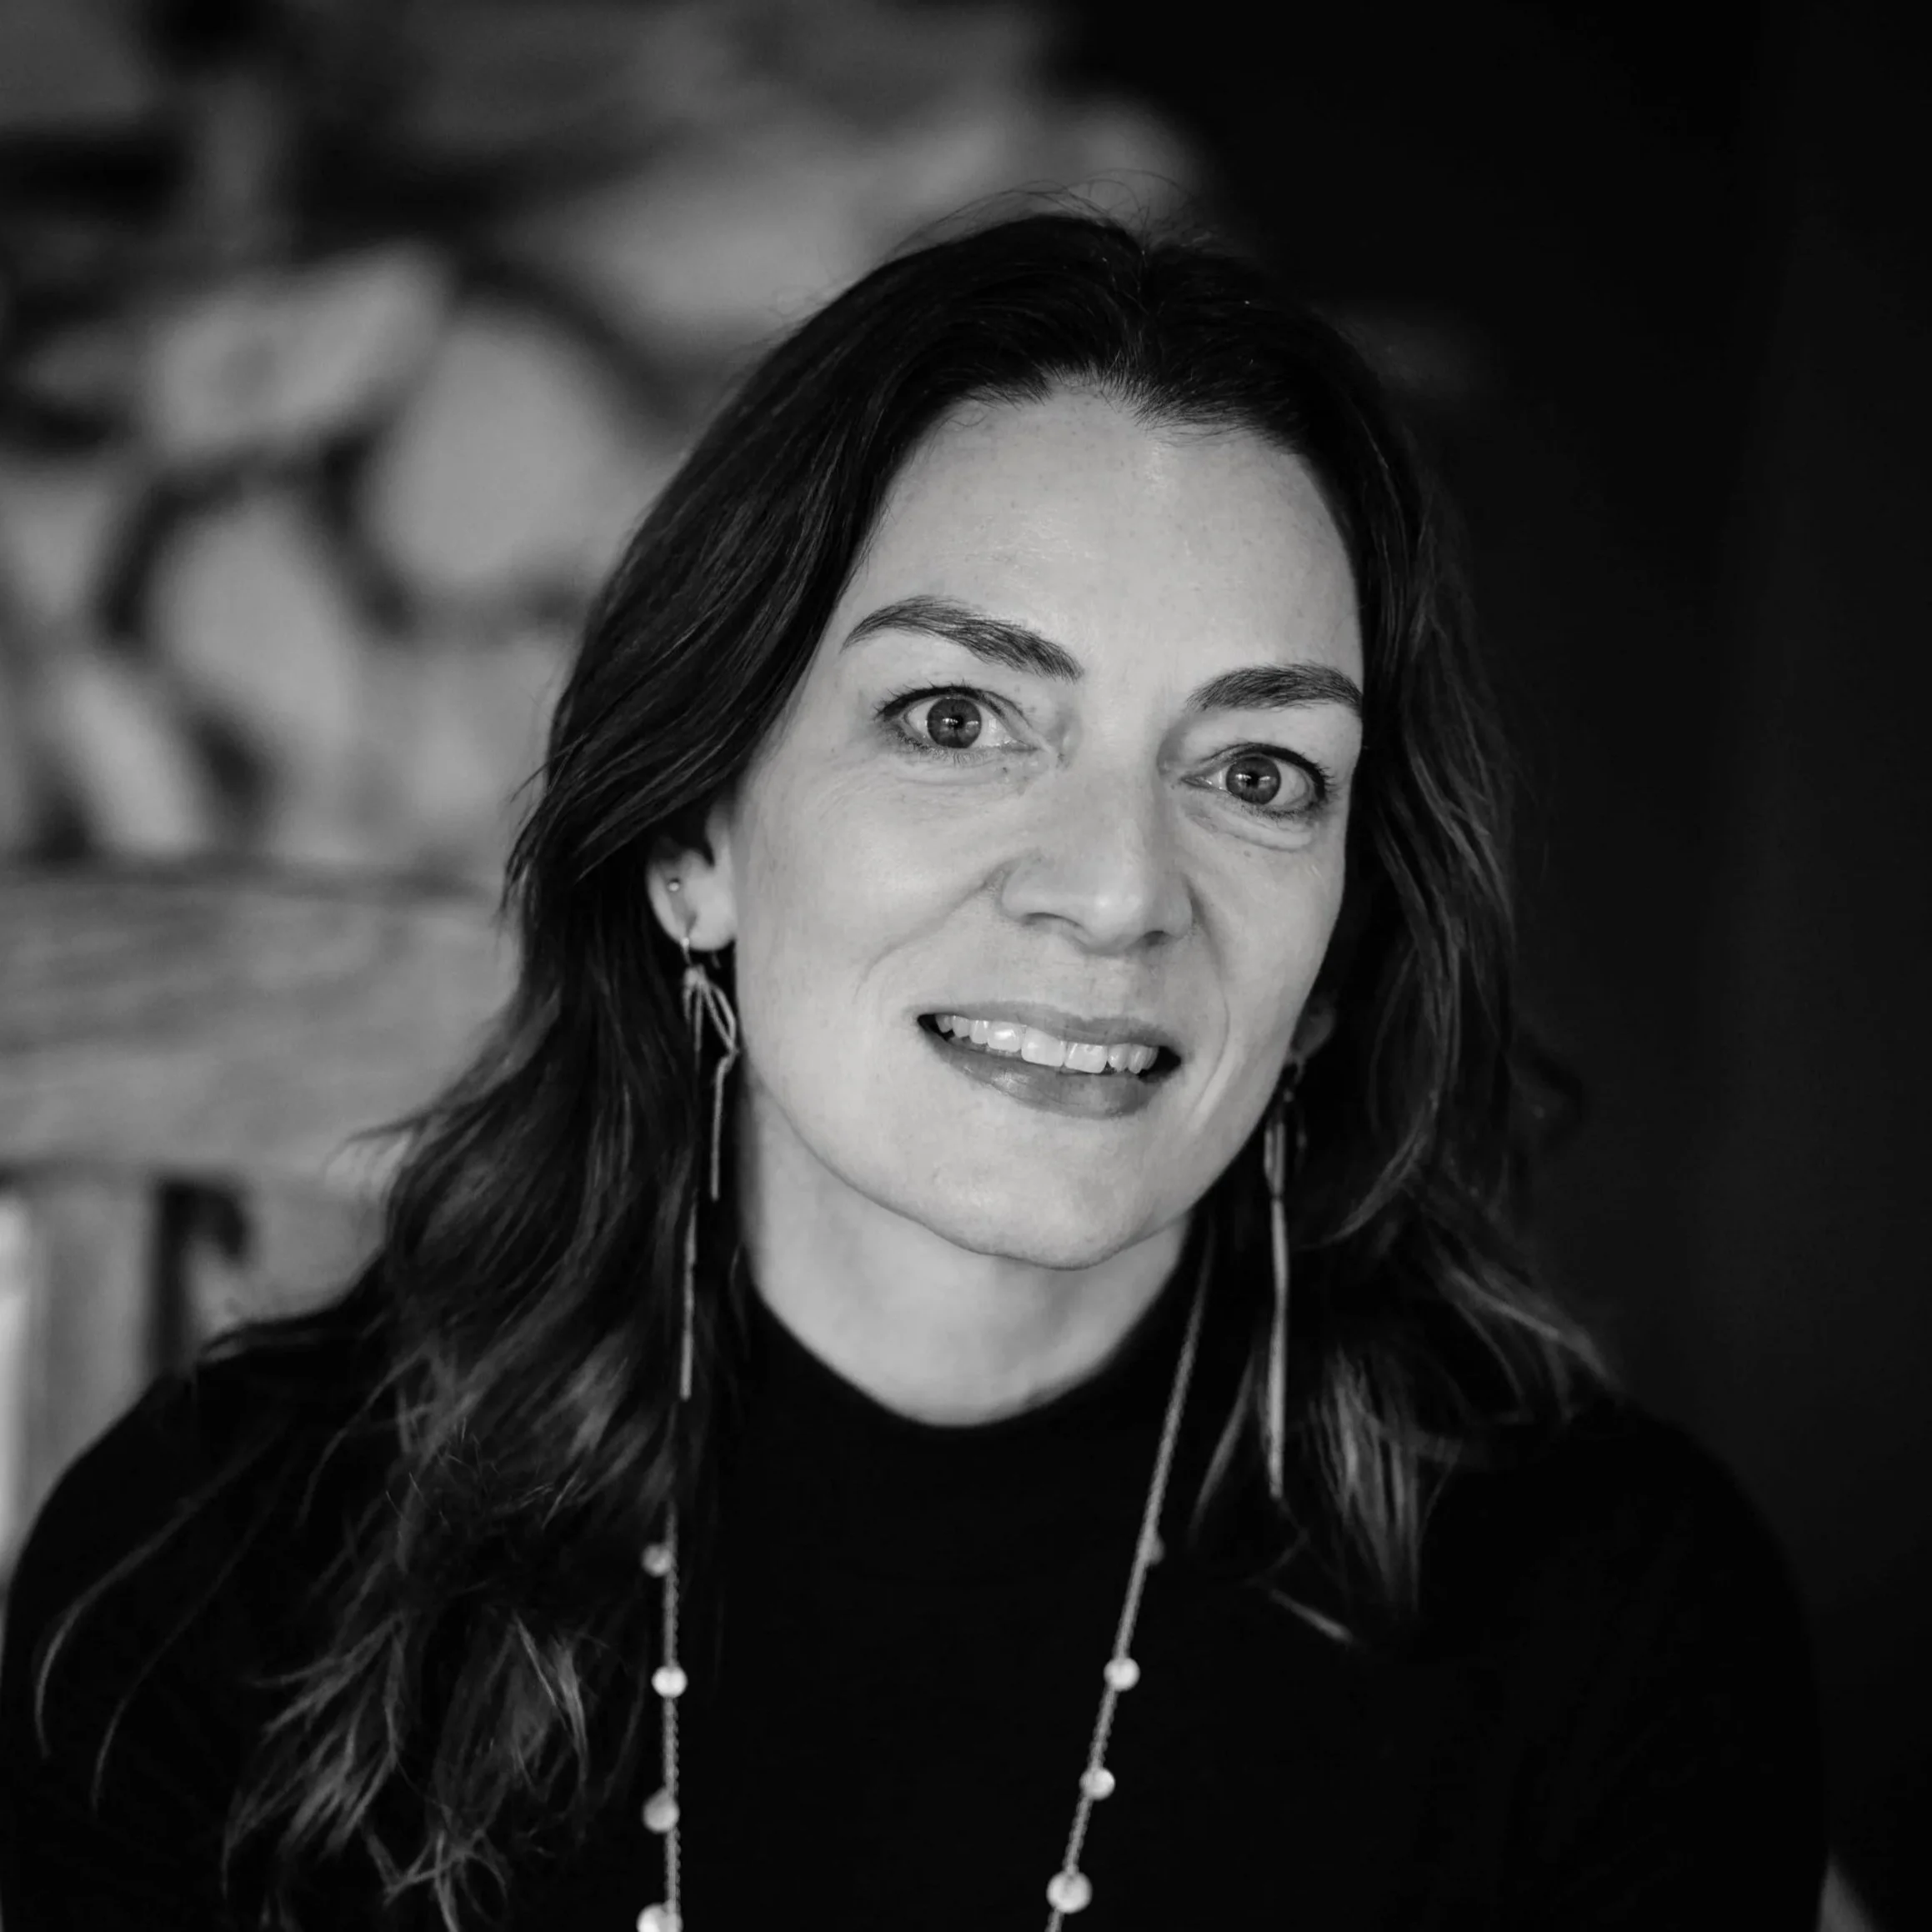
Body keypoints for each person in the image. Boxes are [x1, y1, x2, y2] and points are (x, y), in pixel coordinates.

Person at [0, 210, 1824, 1932]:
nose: (1116, 891)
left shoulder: (1610, 1631)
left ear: (1344, 945)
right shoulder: (220, 1580)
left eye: (1260, 771)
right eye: (957, 719)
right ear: (691, 840)